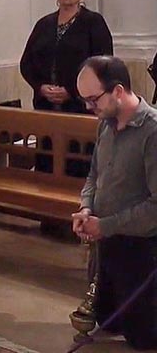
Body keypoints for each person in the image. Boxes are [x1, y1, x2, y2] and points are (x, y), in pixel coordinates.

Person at [71, 56, 157, 350]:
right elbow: (94, 175)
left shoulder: (153, 131)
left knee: (143, 339)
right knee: (108, 321)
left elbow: (156, 206)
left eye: (93, 100)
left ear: (118, 90)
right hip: (108, 242)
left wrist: (103, 225)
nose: (88, 107)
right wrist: (85, 208)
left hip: (142, 249)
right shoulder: (105, 125)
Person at [20, 0, 113, 115]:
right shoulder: (44, 24)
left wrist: (72, 90)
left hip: (81, 106)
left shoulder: (93, 22)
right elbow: (26, 63)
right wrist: (40, 87)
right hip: (45, 104)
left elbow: (103, 65)